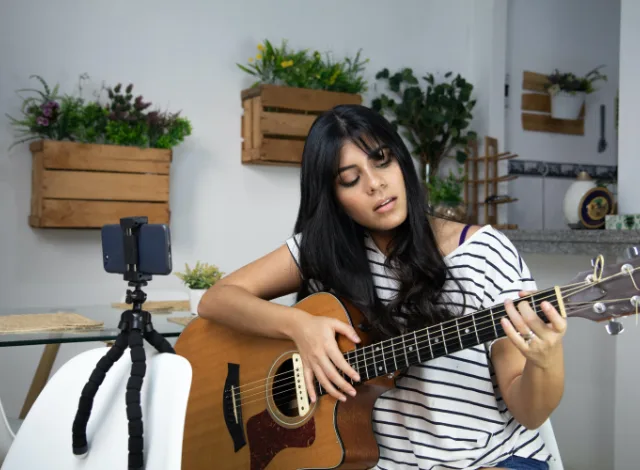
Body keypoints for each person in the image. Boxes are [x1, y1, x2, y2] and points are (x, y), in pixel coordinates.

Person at [197, 104, 566, 470]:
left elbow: (529, 413)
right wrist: (301, 327)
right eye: (350, 179)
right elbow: (217, 299)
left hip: (489, 460)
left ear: (401, 161)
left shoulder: (484, 253)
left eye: (382, 160)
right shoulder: (325, 249)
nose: (376, 184)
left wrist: (545, 360)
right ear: (333, 197)